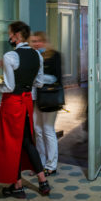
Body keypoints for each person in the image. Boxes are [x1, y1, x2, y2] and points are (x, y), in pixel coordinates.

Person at [0, 21, 50, 198]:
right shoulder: (37, 55)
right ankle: (43, 182)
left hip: (12, 103)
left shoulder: (10, 56)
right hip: (27, 102)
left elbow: (8, 87)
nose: (8, 37)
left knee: (10, 143)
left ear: (16, 35)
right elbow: (39, 83)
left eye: (10, 33)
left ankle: (17, 186)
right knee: (26, 141)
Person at [29, 31, 63, 176]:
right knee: (37, 130)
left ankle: (51, 165)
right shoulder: (33, 56)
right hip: (36, 97)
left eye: (39, 41)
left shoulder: (54, 55)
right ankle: (40, 163)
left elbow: (57, 77)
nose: (36, 44)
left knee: (48, 130)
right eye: (33, 41)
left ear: (45, 41)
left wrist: (39, 79)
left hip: (49, 97)